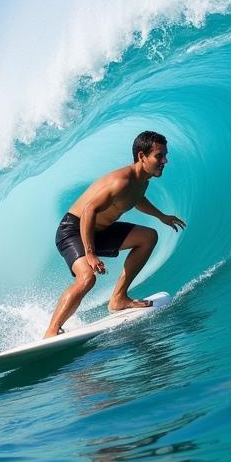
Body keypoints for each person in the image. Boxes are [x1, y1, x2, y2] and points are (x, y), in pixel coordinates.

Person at [44, 131, 185, 338]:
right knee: (87, 278)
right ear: (141, 156)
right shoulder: (122, 181)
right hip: (73, 229)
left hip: (101, 230)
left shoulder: (141, 181)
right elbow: (88, 211)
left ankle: (119, 298)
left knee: (148, 237)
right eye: (159, 156)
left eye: (165, 155)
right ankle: (51, 331)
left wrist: (161, 216)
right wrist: (90, 253)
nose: (165, 161)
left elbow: (136, 199)